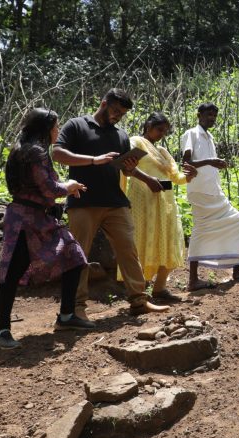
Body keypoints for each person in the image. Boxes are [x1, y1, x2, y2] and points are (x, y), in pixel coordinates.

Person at [52, 88, 170, 320]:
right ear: (103, 103)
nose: (118, 116)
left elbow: (125, 168)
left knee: (128, 250)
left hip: (115, 201)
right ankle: (76, 308)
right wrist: (93, 160)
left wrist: (141, 175)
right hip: (83, 201)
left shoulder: (121, 135)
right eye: (115, 111)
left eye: (122, 114)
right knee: (79, 255)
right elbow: (57, 153)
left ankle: (139, 300)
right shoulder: (77, 125)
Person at [0, 108, 93, 349]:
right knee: (11, 272)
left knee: (74, 255)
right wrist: (69, 185)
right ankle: (2, 331)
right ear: (45, 129)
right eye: (56, 126)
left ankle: (67, 316)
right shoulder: (35, 153)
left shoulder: (26, 149)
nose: (58, 131)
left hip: (40, 217)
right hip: (24, 221)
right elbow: (49, 188)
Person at [120, 112, 197, 301]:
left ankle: (160, 288)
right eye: (159, 129)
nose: (162, 134)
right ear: (148, 127)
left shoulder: (162, 151)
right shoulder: (136, 142)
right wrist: (147, 179)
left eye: (165, 131)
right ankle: (138, 291)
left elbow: (177, 178)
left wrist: (190, 175)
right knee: (141, 241)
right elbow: (126, 166)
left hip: (165, 202)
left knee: (169, 241)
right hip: (142, 201)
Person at [180, 103, 239, 291]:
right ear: (199, 115)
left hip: (213, 189)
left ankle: (237, 269)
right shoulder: (191, 134)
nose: (211, 118)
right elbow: (186, 162)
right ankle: (193, 280)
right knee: (201, 229)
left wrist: (214, 164)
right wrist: (210, 162)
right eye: (208, 114)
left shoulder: (209, 137)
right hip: (199, 191)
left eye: (214, 115)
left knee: (237, 221)